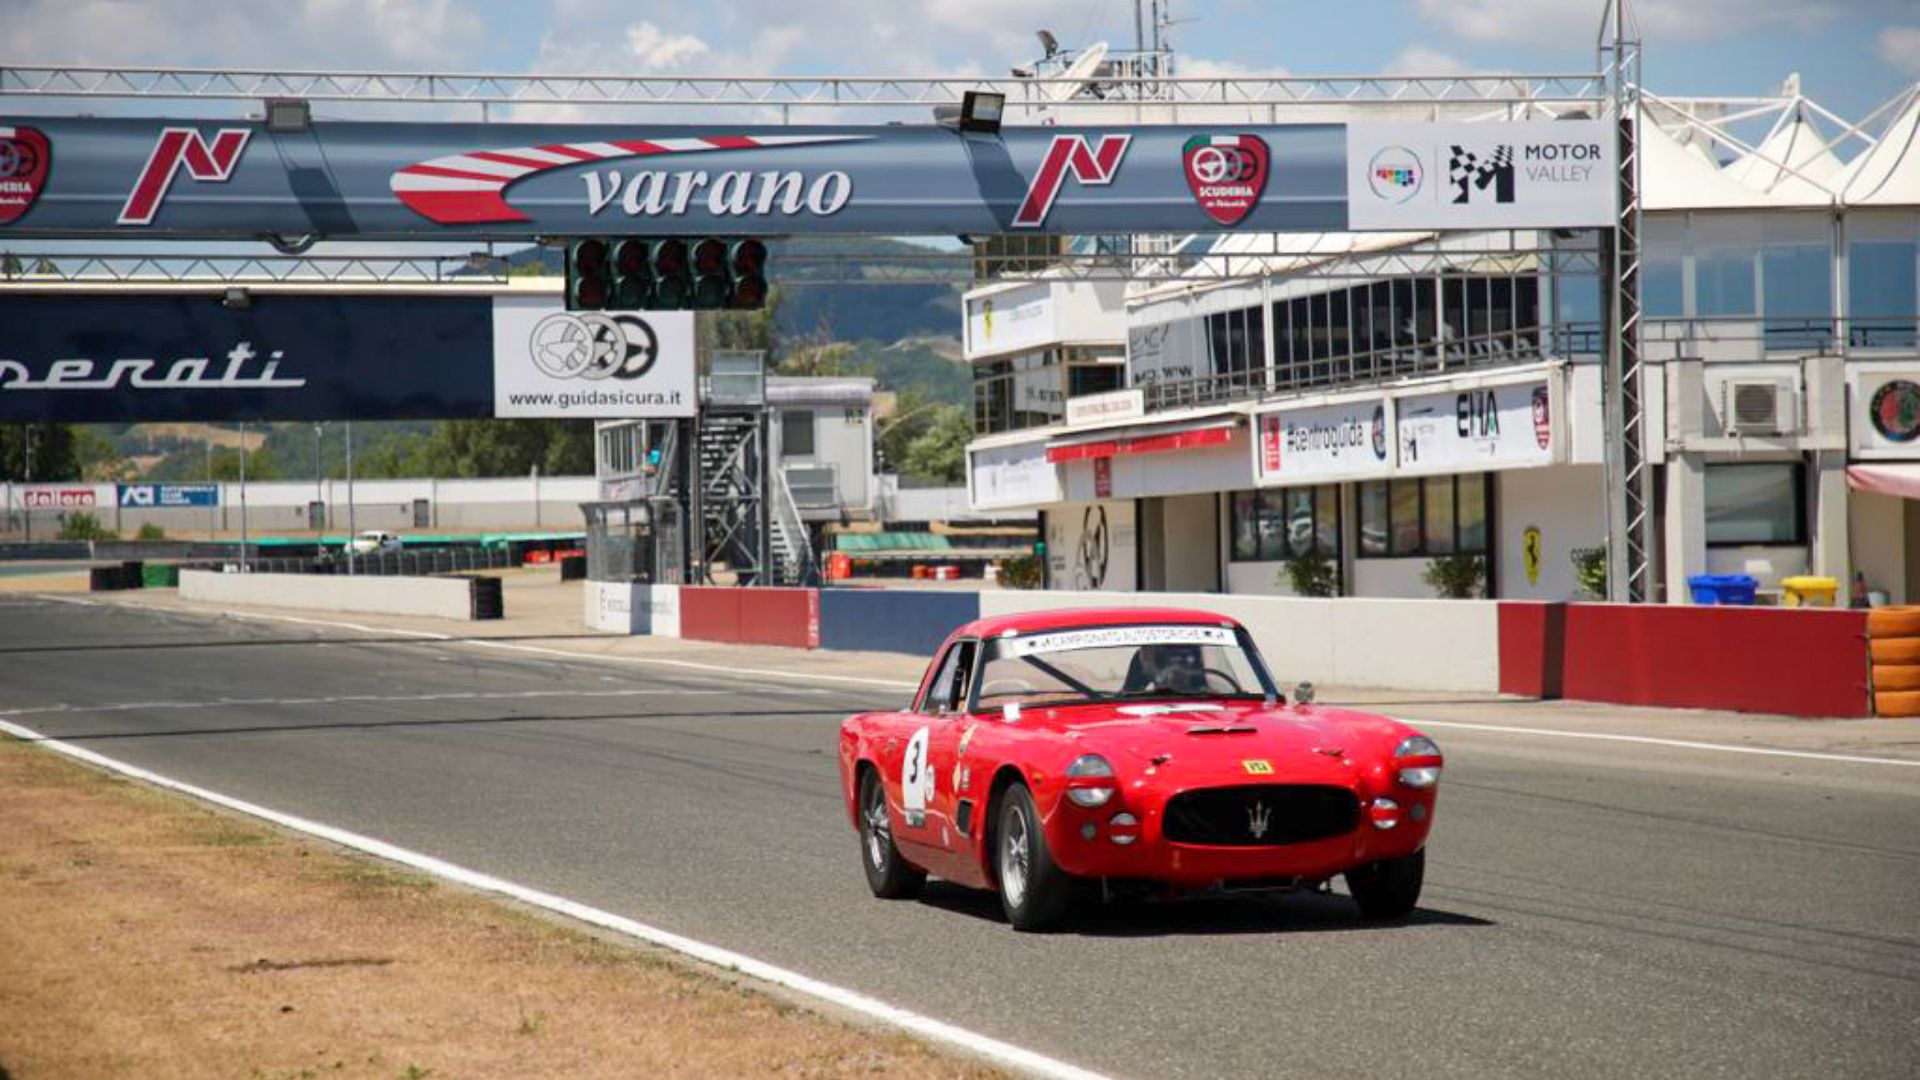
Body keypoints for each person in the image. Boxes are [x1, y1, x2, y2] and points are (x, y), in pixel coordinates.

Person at [1127, 643, 1206, 695]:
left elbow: (1204, 686)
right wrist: (1148, 663)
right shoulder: (1148, 652)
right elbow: (1129, 692)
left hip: (1192, 699)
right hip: (1157, 701)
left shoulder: (1192, 650)